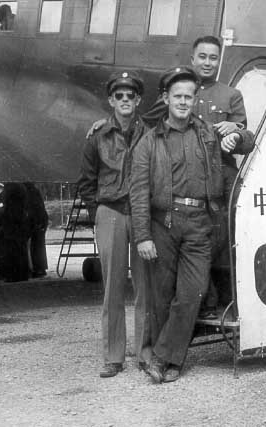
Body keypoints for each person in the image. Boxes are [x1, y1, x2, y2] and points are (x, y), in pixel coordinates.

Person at [130, 66, 254, 383]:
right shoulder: (148, 142)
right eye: (178, 96)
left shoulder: (209, 134)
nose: (184, 101)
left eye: (189, 96)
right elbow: (139, 193)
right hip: (163, 225)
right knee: (161, 295)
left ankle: (161, 357)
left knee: (192, 293)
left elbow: (248, 143)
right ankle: (169, 361)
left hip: (200, 224)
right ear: (166, 99)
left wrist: (237, 134)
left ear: (194, 99)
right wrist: (143, 236)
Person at [77, 70, 149, 378]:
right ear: (111, 100)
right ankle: (113, 356)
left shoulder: (151, 133)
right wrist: (100, 212)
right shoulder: (98, 137)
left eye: (130, 96)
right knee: (113, 288)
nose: (124, 100)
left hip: (143, 213)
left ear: (138, 100)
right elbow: (86, 181)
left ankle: (147, 352)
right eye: (118, 96)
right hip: (111, 213)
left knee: (146, 286)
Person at [24, 183, 48, 278]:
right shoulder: (33, 190)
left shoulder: (25, 190)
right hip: (39, 219)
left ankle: (36, 268)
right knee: (38, 244)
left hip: (35, 219)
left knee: (34, 244)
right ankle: (39, 268)